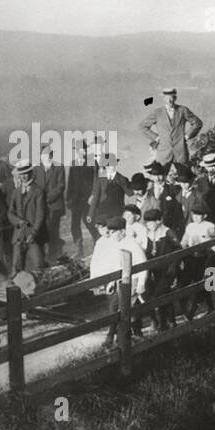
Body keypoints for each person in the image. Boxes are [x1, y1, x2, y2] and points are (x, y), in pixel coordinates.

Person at [90, 217, 148, 346]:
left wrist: (141, 283)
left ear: (122, 231)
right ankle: (128, 335)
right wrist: (112, 282)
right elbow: (117, 266)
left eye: (114, 232)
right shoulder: (116, 244)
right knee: (124, 309)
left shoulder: (132, 244)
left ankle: (112, 336)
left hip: (133, 281)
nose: (111, 235)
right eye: (110, 232)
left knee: (117, 307)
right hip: (121, 282)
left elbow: (143, 264)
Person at [139, 87, 203, 166]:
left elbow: (198, 123)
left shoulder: (183, 110)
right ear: (163, 98)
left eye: (171, 98)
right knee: (162, 177)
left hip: (181, 153)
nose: (169, 101)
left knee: (183, 177)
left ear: (175, 98)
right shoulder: (157, 112)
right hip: (163, 155)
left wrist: (187, 136)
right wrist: (156, 137)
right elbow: (142, 126)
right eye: (167, 98)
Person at [140, 208, 181, 332]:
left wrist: (173, 267)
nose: (148, 225)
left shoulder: (167, 232)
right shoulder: (148, 234)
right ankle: (171, 321)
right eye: (147, 223)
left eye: (151, 223)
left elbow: (178, 250)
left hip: (167, 270)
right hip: (154, 271)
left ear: (159, 221)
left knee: (159, 295)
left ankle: (163, 324)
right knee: (163, 295)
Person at [180, 196, 215, 317]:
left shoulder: (209, 226)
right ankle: (192, 309)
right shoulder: (190, 226)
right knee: (196, 282)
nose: (196, 217)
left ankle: (214, 307)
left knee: (210, 282)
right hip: (193, 258)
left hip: (207, 257)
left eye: (199, 215)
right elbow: (184, 241)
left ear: (204, 216)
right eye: (194, 215)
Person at [7, 162, 48, 275]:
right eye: (21, 174)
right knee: (16, 268)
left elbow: (40, 215)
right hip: (19, 235)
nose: (23, 177)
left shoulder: (38, 191)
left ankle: (40, 290)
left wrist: (34, 233)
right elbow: (10, 212)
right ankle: (17, 290)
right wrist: (18, 221)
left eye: (26, 173)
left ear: (31, 173)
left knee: (38, 266)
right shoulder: (16, 192)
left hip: (34, 235)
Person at [32, 143, 67, 263]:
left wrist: (46, 198)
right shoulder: (36, 168)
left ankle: (52, 257)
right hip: (40, 206)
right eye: (43, 155)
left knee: (53, 231)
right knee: (42, 230)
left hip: (54, 205)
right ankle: (43, 256)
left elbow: (61, 186)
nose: (46, 157)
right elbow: (34, 185)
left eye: (48, 154)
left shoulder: (58, 167)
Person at [66, 140, 98, 254]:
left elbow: (96, 181)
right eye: (79, 150)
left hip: (88, 200)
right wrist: (68, 198)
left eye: (83, 149)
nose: (81, 151)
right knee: (74, 225)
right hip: (75, 200)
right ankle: (79, 248)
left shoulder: (92, 163)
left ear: (86, 150)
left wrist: (93, 196)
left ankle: (97, 242)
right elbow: (70, 182)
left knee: (89, 222)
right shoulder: (73, 164)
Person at [87, 153, 129, 226]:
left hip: (117, 212)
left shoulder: (122, 179)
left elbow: (130, 192)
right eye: (108, 166)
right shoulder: (101, 179)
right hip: (103, 211)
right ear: (105, 167)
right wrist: (90, 214)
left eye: (113, 165)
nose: (111, 167)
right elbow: (96, 197)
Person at [145, 161, 184, 240]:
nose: (158, 178)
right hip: (153, 228)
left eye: (160, 175)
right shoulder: (148, 192)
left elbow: (177, 212)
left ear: (164, 175)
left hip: (169, 227)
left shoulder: (173, 189)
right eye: (155, 175)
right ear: (151, 176)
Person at [193, 152, 215, 221]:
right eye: (208, 166)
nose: (211, 169)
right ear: (205, 167)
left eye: (214, 166)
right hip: (205, 218)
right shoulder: (200, 181)